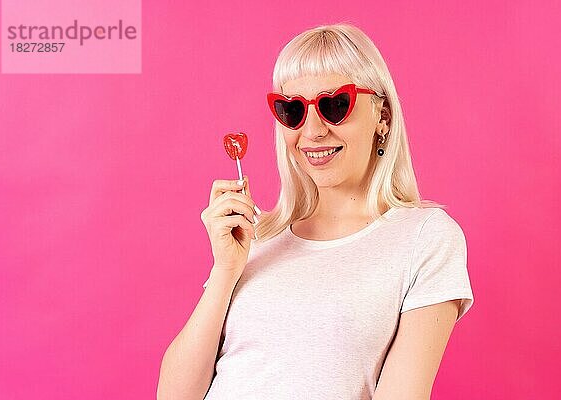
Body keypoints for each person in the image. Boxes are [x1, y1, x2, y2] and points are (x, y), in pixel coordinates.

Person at [158, 23, 474, 400]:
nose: (311, 132)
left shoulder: (425, 238)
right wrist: (225, 271)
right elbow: (174, 395)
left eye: (334, 105)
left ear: (382, 116)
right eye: (292, 110)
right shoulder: (255, 239)